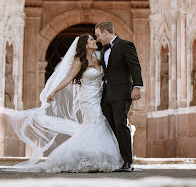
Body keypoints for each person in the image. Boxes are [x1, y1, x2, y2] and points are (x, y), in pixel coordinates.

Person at [3, 35, 123, 173]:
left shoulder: (98, 59)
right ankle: (92, 157)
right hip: (87, 99)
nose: (95, 41)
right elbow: (68, 78)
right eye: (91, 40)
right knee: (97, 122)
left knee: (95, 125)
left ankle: (91, 156)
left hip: (99, 97)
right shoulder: (79, 61)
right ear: (85, 45)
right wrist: (53, 92)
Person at [95, 21, 143, 172]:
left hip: (122, 93)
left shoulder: (126, 45)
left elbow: (135, 66)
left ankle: (128, 162)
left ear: (105, 32)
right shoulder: (103, 50)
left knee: (121, 125)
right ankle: (117, 159)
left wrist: (137, 87)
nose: (97, 39)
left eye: (98, 35)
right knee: (111, 127)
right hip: (106, 95)